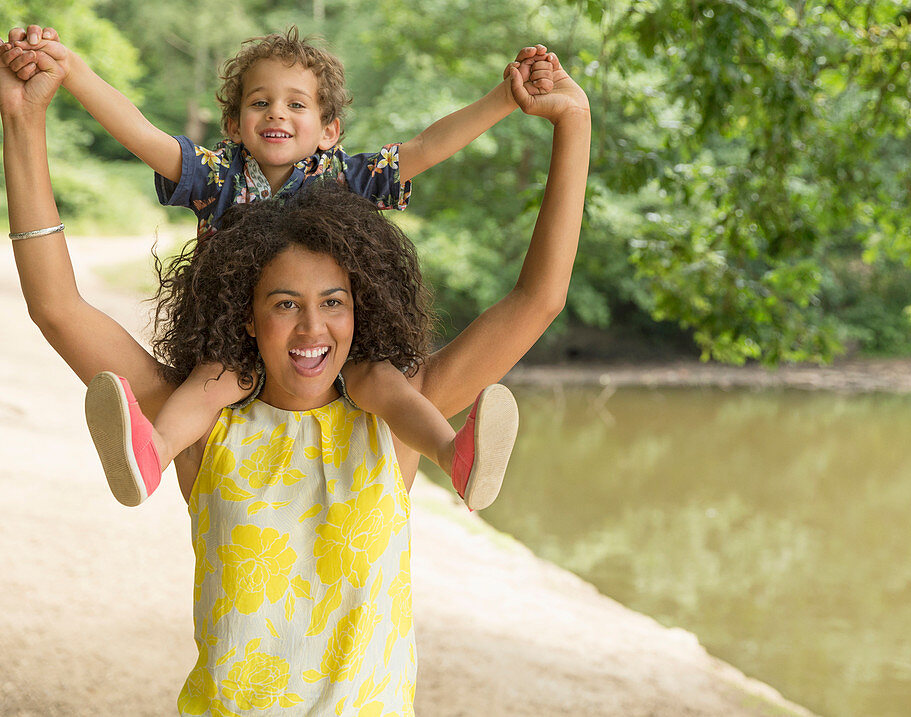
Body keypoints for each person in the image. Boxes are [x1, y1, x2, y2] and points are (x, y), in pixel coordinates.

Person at [2, 28, 590, 713]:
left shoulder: (392, 416)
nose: (313, 327)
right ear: (246, 313)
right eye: (285, 303)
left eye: (333, 303)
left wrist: (573, 123)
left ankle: (459, 459)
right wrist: (22, 120)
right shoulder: (203, 418)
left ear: (361, 306)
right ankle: (147, 454)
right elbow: (55, 306)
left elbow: (539, 298)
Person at [1, 25, 554, 511]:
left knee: (383, 380)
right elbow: (142, 133)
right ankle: (153, 454)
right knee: (211, 382)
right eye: (260, 103)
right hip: (240, 336)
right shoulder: (216, 175)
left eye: (297, 105)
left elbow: (431, 144)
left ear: (329, 128)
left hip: (335, 344)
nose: (277, 115)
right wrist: (71, 71)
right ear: (234, 123)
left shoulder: (349, 176)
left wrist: (504, 97)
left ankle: (452, 453)